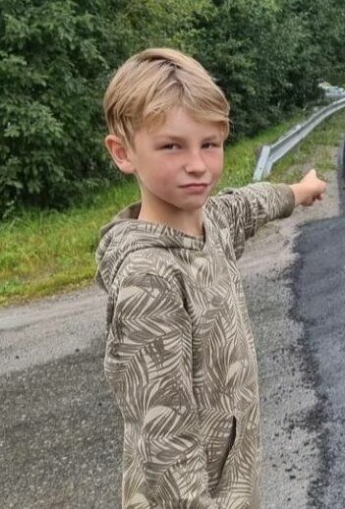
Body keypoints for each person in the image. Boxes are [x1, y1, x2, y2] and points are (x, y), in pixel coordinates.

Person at [94, 47, 326, 508]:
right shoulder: (148, 279)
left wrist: (299, 191)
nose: (198, 164)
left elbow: (248, 204)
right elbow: (167, 448)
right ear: (123, 153)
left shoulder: (210, 223)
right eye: (172, 146)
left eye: (210, 144)